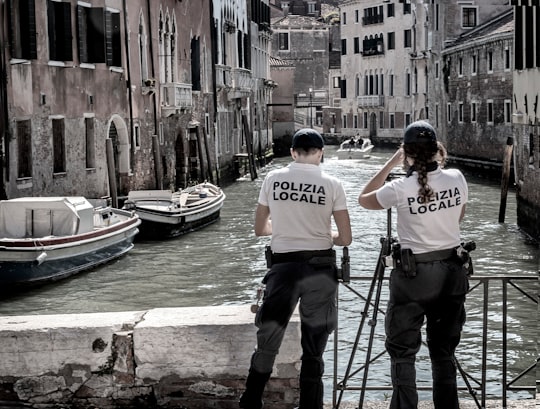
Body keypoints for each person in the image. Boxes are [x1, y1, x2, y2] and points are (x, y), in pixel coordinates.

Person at [358, 120, 470, 409]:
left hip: (413, 276)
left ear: (406, 153)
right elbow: (457, 218)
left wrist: (389, 163)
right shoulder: (457, 178)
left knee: (403, 350)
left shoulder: (399, 187)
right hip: (451, 272)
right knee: (443, 350)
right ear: (438, 151)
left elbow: (363, 199)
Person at [239, 128, 352, 409]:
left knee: (268, 341)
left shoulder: (273, 179)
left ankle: (251, 401)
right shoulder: (333, 184)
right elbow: (346, 238)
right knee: (314, 348)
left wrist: (286, 230)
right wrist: (323, 236)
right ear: (321, 152)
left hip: (284, 269)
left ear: (292, 152)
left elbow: (259, 229)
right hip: (320, 270)